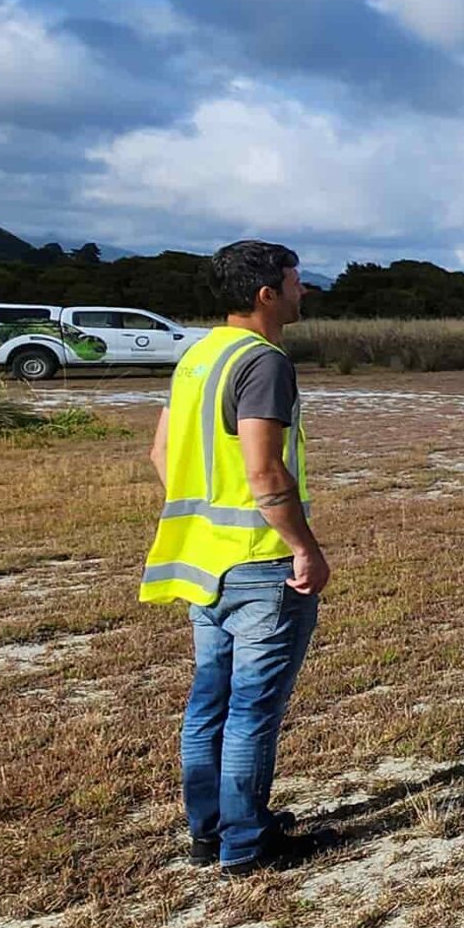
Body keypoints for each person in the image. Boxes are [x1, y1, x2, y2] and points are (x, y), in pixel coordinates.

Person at [141, 240, 334, 877]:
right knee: (253, 710)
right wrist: (303, 547)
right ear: (266, 294)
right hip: (259, 561)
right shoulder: (263, 362)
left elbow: (160, 455)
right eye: (297, 282)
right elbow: (265, 470)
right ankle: (246, 845)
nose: (304, 291)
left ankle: (208, 831)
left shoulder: (196, 356)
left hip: (200, 562)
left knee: (209, 703)